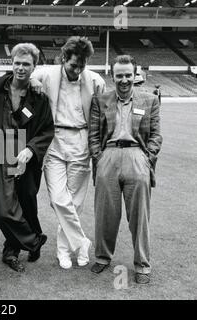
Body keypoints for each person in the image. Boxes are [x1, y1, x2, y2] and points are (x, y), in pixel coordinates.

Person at [31, 36, 106, 269]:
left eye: (82, 65)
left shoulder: (95, 80)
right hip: (54, 141)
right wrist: (33, 81)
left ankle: (65, 251)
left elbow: (102, 115)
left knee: (74, 202)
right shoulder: (47, 74)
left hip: (81, 141)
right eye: (74, 65)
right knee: (57, 199)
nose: (77, 70)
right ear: (64, 58)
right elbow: (28, 75)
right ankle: (81, 242)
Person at [0, 43, 54, 272]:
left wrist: (31, 149)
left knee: (25, 203)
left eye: (26, 64)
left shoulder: (39, 97)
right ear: (11, 64)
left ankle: (16, 247)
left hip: (24, 158)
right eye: (17, 63)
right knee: (2, 206)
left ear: (34, 67)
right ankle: (31, 241)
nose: (21, 68)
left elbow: (46, 129)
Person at [88, 55, 162, 284]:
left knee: (140, 216)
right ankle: (102, 257)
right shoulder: (100, 100)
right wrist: (99, 159)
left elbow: (157, 135)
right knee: (105, 214)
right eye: (119, 75)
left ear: (135, 75)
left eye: (128, 75)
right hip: (108, 155)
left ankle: (142, 265)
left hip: (137, 156)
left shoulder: (150, 100)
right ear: (112, 76)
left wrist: (147, 158)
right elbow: (93, 135)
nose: (124, 80)